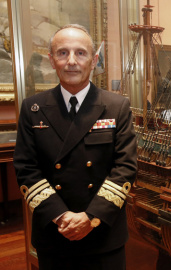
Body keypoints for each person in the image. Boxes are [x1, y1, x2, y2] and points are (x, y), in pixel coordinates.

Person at [13, 24, 137, 270]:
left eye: (80, 53)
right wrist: (61, 216)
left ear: (94, 60)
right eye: (62, 53)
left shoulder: (116, 107)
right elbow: (26, 168)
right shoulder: (32, 108)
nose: (71, 61)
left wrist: (90, 218)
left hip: (103, 234)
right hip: (54, 232)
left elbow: (125, 167)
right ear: (51, 60)